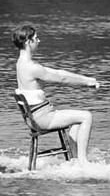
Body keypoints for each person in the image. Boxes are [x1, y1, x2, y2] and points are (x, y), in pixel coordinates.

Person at [12, 25, 99, 164]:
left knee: (77, 120)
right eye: (36, 38)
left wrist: (87, 80)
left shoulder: (22, 63)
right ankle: (83, 162)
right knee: (86, 116)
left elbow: (58, 72)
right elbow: (61, 79)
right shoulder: (32, 67)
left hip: (35, 117)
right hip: (43, 118)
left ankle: (74, 159)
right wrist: (86, 82)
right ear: (28, 42)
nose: (38, 41)